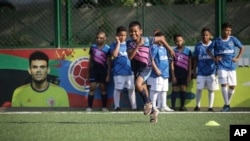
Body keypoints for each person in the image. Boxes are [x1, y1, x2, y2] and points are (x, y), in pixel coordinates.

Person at [127, 21, 174, 123]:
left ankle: (148, 104)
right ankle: (153, 113)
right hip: (136, 69)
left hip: (146, 67)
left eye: (135, 31)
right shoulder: (129, 43)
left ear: (140, 32)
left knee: (137, 84)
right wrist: (138, 45)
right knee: (143, 90)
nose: (133, 34)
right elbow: (130, 56)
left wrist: (169, 48)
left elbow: (161, 38)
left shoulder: (147, 40)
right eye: (131, 32)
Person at [207, 23, 245, 112]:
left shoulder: (233, 39)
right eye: (226, 30)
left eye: (230, 31)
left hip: (231, 65)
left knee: (232, 86)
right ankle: (227, 105)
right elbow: (208, 50)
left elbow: (242, 47)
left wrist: (238, 57)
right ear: (222, 30)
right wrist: (214, 58)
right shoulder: (217, 41)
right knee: (224, 84)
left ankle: (226, 105)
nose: (228, 32)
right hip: (221, 65)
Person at [110, 26, 137, 111]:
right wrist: (118, 43)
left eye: (124, 35)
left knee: (131, 89)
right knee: (118, 89)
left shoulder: (129, 44)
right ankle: (117, 106)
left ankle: (134, 107)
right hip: (118, 72)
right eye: (120, 35)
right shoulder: (113, 45)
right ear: (117, 35)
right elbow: (114, 55)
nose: (123, 37)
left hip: (129, 71)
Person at [193, 27, 218, 112]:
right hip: (201, 72)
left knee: (211, 90)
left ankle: (210, 107)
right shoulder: (198, 46)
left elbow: (217, 58)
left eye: (207, 35)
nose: (205, 36)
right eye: (203, 35)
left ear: (210, 36)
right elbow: (195, 58)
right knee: (199, 89)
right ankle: (197, 106)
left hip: (211, 72)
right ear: (201, 36)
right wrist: (194, 70)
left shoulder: (214, 45)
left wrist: (217, 70)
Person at [148, 31, 174, 112]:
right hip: (157, 74)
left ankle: (163, 105)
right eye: (160, 39)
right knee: (155, 90)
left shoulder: (166, 49)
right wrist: (156, 69)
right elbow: (151, 59)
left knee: (164, 90)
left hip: (165, 73)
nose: (162, 41)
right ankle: (153, 106)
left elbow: (169, 60)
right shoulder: (154, 47)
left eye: (163, 39)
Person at [86, 31, 111, 112]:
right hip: (94, 71)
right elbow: (90, 60)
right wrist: (88, 72)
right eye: (97, 38)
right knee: (92, 88)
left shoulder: (108, 48)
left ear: (105, 38)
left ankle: (104, 107)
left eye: (101, 38)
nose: (98, 39)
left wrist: (108, 74)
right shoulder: (93, 47)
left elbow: (109, 62)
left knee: (103, 88)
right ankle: (89, 107)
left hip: (103, 71)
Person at [170, 34, 192, 111]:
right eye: (177, 41)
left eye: (180, 40)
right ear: (175, 42)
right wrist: (173, 76)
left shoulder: (188, 51)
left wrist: (189, 75)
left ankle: (182, 106)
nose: (179, 42)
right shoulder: (173, 51)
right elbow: (172, 64)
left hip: (184, 74)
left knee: (183, 89)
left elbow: (190, 63)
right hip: (176, 74)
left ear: (183, 41)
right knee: (175, 89)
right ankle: (173, 106)